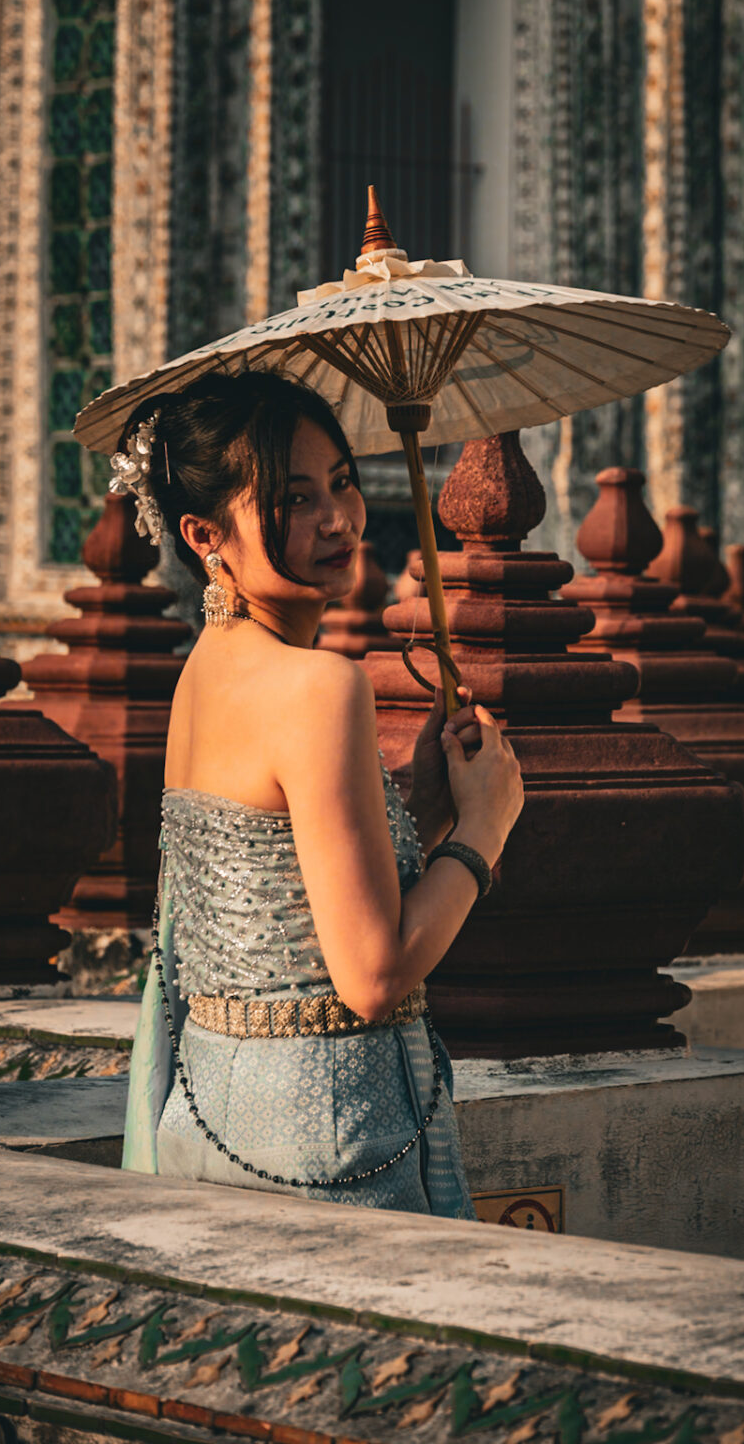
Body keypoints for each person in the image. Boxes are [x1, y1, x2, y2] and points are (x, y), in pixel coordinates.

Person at [120, 370, 524, 1215]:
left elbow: (283, 899)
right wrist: (484, 830)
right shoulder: (321, 687)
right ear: (203, 533)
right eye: (294, 499)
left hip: (211, 1114)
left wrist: (417, 805)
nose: (338, 518)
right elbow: (373, 976)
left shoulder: (198, 678)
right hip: (332, 1132)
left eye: (341, 483)